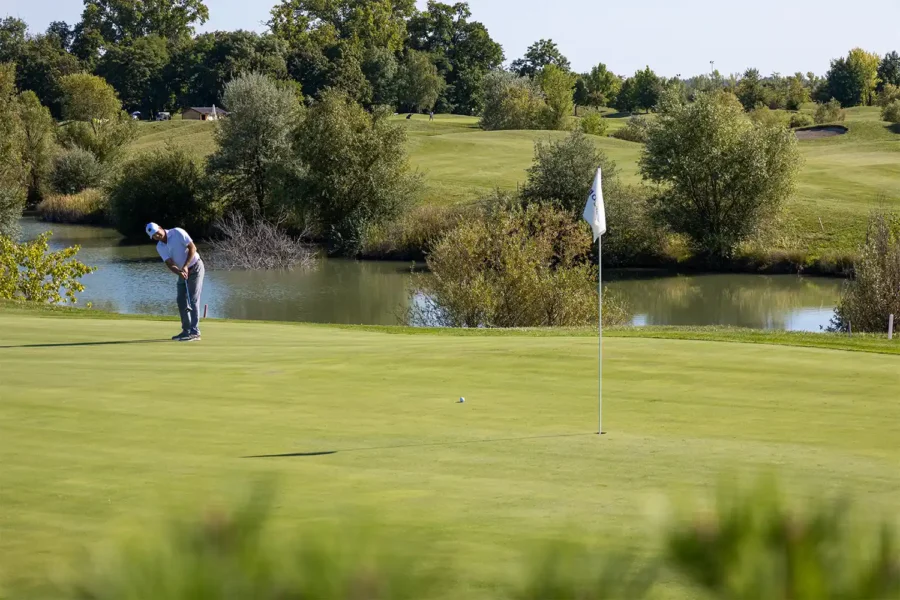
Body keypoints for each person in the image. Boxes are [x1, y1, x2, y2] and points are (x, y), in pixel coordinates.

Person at [146, 222, 205, 341]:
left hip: (195, 267)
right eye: (154, 236)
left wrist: (185, 266)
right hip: (182, 272)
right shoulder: (160, 247)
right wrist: (179, 272)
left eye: (157, 233)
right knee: (181, 300)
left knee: (193, 299)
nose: (157, 236)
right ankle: (186, 330)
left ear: (161, 228)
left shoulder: (177, 232)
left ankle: (195, 332)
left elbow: (192, 247)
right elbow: (169, 263)